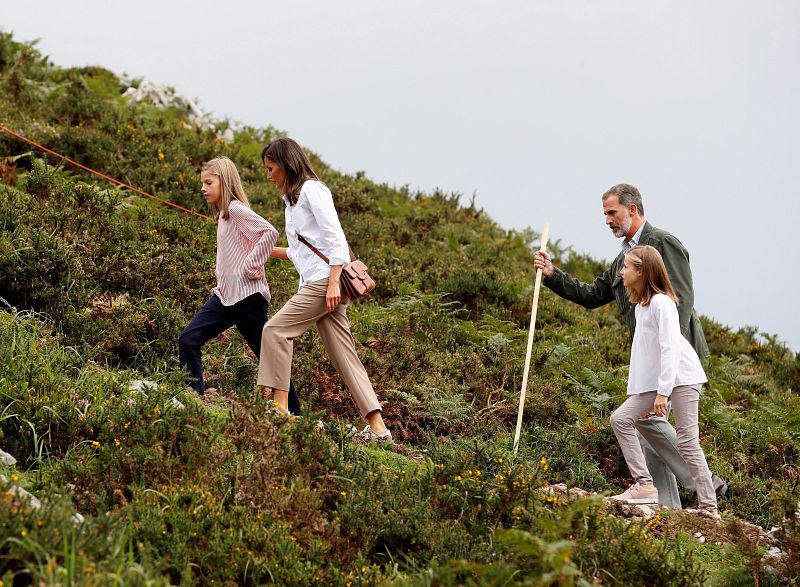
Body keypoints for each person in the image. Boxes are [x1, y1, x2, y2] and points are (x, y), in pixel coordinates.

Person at [533, 183, 726, 508]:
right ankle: (666, 506)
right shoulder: (623, 260)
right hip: (654, 361)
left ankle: (702, 483)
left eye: (612, 212)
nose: (607, 220)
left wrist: (667, 362)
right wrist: (553, 274)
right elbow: (593, 295)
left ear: (632, 209)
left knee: (646, 421)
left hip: (677, 358)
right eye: (605, 214)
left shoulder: (662, 243)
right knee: (643, 428)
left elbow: (681, 301)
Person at [257, 138, 391, 442]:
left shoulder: (312, 191)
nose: (268, 175)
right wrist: (263, 250)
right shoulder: (291, 202)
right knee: (344, 354)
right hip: (316, 280)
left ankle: (278, 407)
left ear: (286, 164)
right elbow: (298, 251)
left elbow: (336, 240)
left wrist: (332, 284)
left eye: (271, 168)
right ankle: (379, 427)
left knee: (275, 331)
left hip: (323, 282)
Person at [178, 156, 301, 414]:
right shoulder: (223, 216)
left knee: (268, 358)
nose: (203, 188)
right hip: (225, 297)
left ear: (225, 182)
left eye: (209, 182)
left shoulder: (235, 209)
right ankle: (193, 400)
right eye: (203, 183)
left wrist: (251, 266)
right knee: (189, 338)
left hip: (248, 299)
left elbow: (269, 232)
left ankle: (296, 415)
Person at [610, 245, 718, 518]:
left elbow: (670, 348)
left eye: (626, 266)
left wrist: (663, 392)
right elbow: (646, 356)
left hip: (683, 378)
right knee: (621, 419)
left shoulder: (662, 303)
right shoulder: (642, 307)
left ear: (641, 271)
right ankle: (644, 484)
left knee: (687, 441)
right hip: (659, 383)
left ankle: (709, 507)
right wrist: (642, 392)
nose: (621, 272)